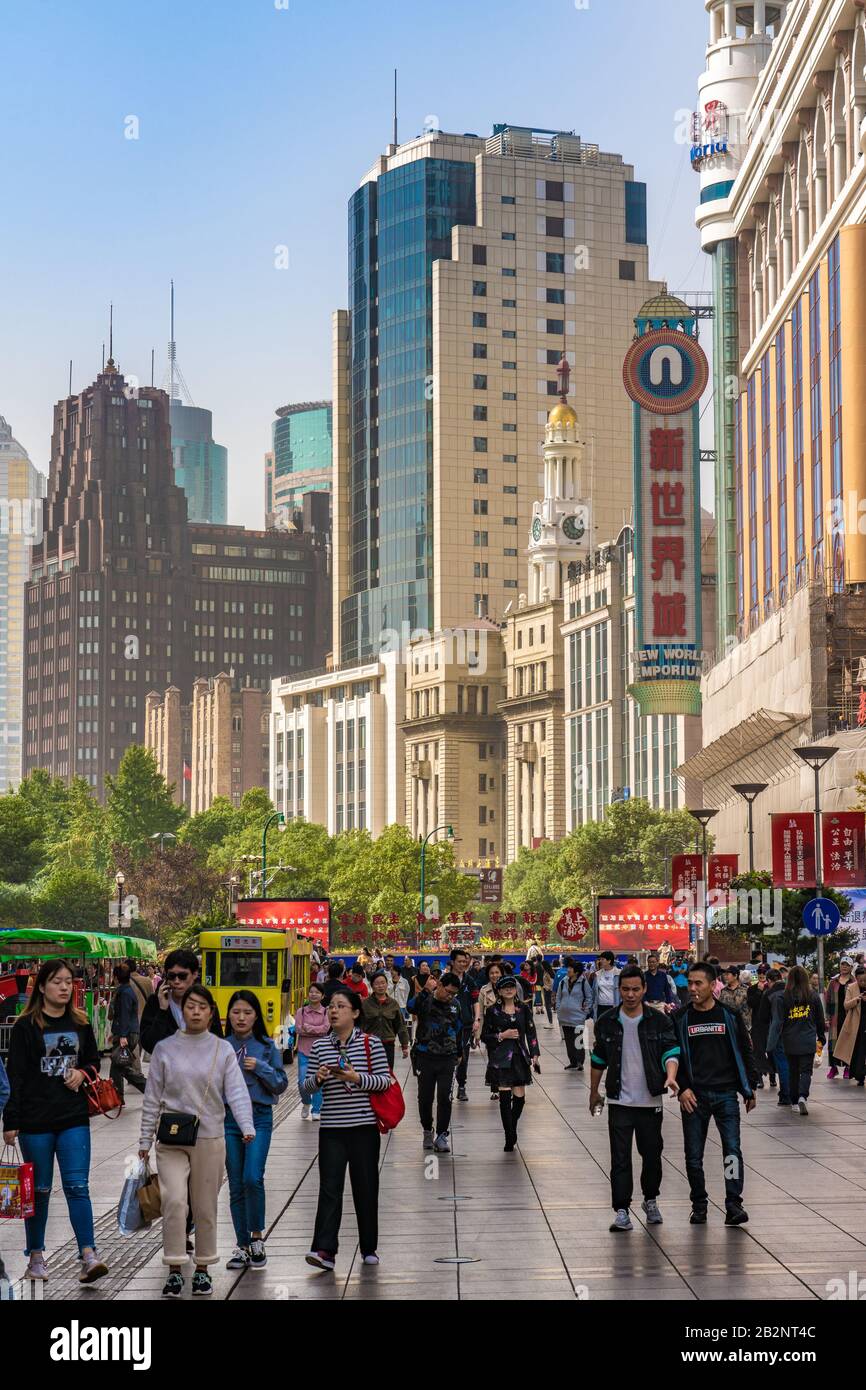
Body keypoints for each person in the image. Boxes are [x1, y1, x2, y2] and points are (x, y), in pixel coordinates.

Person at [139, 983, 255, 1298]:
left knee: (205, 1206)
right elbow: (152, 1098)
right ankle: (175, 1269)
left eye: (203, 1007)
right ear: (182, 1008)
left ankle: (203, 1269)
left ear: (211, 1012)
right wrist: (143, 1139)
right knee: (174, 1200)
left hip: (210, 1137)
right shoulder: (165, 1048)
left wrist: (246, 1126)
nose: (196, 1011)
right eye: (190, 1005)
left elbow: (236, 1092)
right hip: (171, 1139)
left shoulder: (222, 1049)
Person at [2, 959, 108, 1284]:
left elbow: (93, 1061)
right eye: (57, 981)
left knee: (78, 1186)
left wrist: (82, 1073)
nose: (64, 987)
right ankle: (36, 1257)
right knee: (40, 1191)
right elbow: (15, 1076)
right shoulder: (25, 1027)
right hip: (35, 1123)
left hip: (73, 1117)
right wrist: (11, 1121)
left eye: (68, 981)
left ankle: (88, 1255)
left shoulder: (80, 1022)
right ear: (42, 987)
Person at [301, 987, 391, 1271]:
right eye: (331, 1007)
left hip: (364, 1127)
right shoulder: (319, 1047)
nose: (334, 1011)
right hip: (332, 1128)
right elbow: (305, 1089)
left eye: (340, 1006)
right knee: (330, 1189)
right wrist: (317, 1078)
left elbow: (384, 1081)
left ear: (355, 1012)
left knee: (365, 1187)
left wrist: (356, 1077)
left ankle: (368, 1247)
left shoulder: (370, 1043)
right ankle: (325, 1250)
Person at [589, 966, 680, 1232]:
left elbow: (670, 1050)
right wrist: (594, 1092)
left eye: (635, 989)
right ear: (619, 990)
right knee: (620, 1158)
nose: (630, 994)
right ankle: (621, 1209)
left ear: (644, 990)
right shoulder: (607, 1021)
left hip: (650, 1100)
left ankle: (650, 1199)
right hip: (619, 1101)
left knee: (652, 1155)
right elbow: (598, 1059)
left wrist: (671, 1075)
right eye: (625, 989)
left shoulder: (658, 1020)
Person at [672, 962, 758, 1226]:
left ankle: (734, 1203)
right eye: (690, 983)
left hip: (725, 1096)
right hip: (693, 1098)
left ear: (713, 985)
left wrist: (749, 1087)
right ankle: (699, 1204)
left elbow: (745, 1051)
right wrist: (683, 1087)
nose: (693, 989)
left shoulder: (729, 1016)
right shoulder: (680, 1018)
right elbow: (673, 1056)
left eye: (699, 983)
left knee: (732, 1150)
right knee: (693, 1156)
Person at [223, 990, 288, 1271]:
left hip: (259, 1117)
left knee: (252, 1177)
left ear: (256, 1016)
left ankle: (257, 1236)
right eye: (236, 1012)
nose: (241, 1017)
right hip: (228, 1121)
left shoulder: (266, 1046)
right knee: (236, 1182)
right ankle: (242, 1245)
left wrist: (260, 1067)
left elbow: (281, 1084)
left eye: (247, 1012)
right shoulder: (221, 1047)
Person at [481, 974, 541, 1151]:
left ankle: (512, 1127)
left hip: (520, 1057)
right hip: (501, 1059)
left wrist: (535, 1054)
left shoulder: (523, 1009)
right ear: (499, 991)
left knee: (520, 1099)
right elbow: (485, 1036)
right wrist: (502, 1035)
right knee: (505, 1099)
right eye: (504, 987)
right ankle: (509, 1136)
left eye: (511, 987)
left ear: (516, 989)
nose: (508, 990)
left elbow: (531, 1032)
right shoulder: (492, 1011)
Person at [407, 971, 463, 1153]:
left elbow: (459, 1029)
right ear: (438, 985)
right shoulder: (426, 999)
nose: (450, 996)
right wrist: (424, 990)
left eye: (454, 993)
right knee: (425, 1098)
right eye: (448, 991)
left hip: (448, 1057)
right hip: (425, 1057)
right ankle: (426, 1130)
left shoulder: (456, 1005)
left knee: (445, 1098)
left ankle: (441, 1135)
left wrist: (460, 1052)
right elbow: (410, 1008)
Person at [766, 965, 825, 1115]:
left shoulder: (782, 997)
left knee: (792, 1071)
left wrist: (770, 1045)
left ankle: (793, 1101)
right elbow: (819, 1019)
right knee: (806, 1070)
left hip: (789, 1040)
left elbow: (777, 1022)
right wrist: (821, 1037)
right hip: (808, 1039)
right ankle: (802, 1096)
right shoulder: (812, 996)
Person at [140, 949, 223, 1054]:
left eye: (182, 976)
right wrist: (162, 1011)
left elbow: (218, 1044)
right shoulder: (156, 1002)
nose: (176, 981)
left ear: (194, 974)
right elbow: (149, 1045)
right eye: (172, 976)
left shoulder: (207, 1005)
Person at [108, 964, 146, 1101]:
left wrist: (122, 1035)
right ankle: (117, 1097)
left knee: (120, 1066)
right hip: (129, 1032)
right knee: (118, 1066)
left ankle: (146, 1087)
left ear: (116, 977)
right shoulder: (127, 990)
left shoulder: (124, 993)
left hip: (127, 1034)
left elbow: (124, 1014)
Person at [361, 971, 410, 1069]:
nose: (380, 986)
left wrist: (404, 1045)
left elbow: (400, 1025)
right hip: (369, 1045)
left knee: (388, 1074)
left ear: (387, 984)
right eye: (377, 984)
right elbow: (359, 1025)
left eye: (383, 983)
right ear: (372, 986)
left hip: (388, 1045)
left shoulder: (393, 1004)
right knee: (370, 1074)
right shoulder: (365, 1004)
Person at [296, 982, 330, 1120]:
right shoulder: (301, 1011)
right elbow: (299, 1029)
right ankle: (306, 1102)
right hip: (303, 1051)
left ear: (322, 996)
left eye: (317, 992)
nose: (313, 994)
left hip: (321, 1052)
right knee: (302, 1082)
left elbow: (326, 1029)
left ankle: (317, 1110)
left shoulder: (326, 1012)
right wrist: (317, 1030)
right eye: (311, 992)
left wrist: (308, 1028)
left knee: (319, 1081)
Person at [756, 969, 791, 1104]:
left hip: (778, 1032)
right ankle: (797, 1093)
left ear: (769, 981)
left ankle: (785, 1095)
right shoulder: (792, 990)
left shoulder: (768, 994)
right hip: (794, 1032)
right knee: (794, 1064)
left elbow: (762, 1017)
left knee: (782, 1064)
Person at [555, 959, 594, 1070]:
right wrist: (558, 1008)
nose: (568, 970)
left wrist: (585, 1011)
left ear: (576, 971)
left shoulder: (583, 982)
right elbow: (558, 996)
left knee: (578, 1040)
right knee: (568, 1041)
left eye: (570, 968)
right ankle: (572, 1061)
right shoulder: (563, 981)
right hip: (564, 1016)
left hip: (578, 1017)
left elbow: (589, 997)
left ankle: (580, 1062)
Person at [448, 948, 475, 1103]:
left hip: (465, 1025)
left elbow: (475, 1001)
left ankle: (462, 1086)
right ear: (452, 962)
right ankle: (448, 1087)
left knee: (463, 1057)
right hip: (448, 1026)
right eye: (460, 961)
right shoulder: (445, 979)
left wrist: (477, 1020)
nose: (463, 964)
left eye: (465, 961)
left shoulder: (469, 980)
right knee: (448, 1057)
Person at [474, 962, 504, 1097]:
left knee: (509, 1058)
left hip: (508, 1030)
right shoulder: (484, 991)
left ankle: (508, 1085)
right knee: (493, 1059)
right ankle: (495, 1088)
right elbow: (480, 1013)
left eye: (497, 972)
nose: (494, 975)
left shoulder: (510, 987)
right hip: (491, 1032)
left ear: (501, 973)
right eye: (492, 973)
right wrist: (478, 1034)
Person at [832, 965, 866, 1085]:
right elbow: (845, 1005)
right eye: (860, 980)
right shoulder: (851, 987)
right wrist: (857, 999)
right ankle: (859, 1076)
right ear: (856, 978)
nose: (863, 983)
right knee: (858, 1049)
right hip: (855, 1023)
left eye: (865, 980)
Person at [825, 959, 856, 1079]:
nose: (844, 967)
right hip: (835, 1017)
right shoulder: (833, 982)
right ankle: (834, 1068)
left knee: (848, 1042)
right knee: (833, 1043)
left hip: (850, 1016)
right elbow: (828, 1000)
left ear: (851, 967)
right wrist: (827, 1017)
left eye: (847, 965)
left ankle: (848, 1068)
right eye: (842, 964)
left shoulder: (854, 981)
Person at [718, 966, 752, 1032]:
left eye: (728, 974)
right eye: (725, 974)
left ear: (735, 976)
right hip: (729, 1028)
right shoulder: (723, 991)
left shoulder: (746, 990)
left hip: (745, 1028)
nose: (725, 976)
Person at [594, 952, 621, 1027]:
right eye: (600, 959)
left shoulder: (619, 974)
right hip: (600, 1006)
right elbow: (594, 992)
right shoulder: (597, 974)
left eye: (603, 959)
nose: (600, 961)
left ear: (609, 961)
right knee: (601, 1029)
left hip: (614, 1007)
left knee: (613, 1028)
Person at [540, 959, 555, 1027]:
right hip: (547, 990)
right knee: (547, 1006)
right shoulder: (546, 972)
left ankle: (551, 1023)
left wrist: (546, 987)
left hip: (548, 991)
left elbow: (551, 982)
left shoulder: (547, 973)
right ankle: (550, 1022)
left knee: (547, 1007)